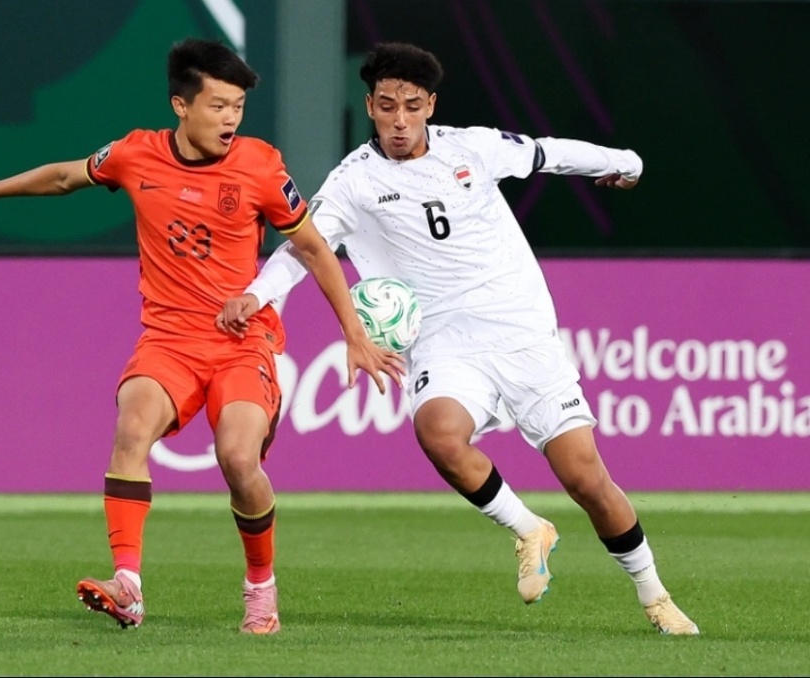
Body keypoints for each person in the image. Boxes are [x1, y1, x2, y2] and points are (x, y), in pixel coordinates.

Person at [217, 42, 699, 636]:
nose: (398, 121)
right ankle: (529, 529)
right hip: (444, 339)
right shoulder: (354, 181)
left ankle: (654, 595)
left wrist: (624, 161)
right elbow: (304, 248)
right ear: (368, 106)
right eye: (386, 106)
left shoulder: (472, 147)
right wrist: (257, 294)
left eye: (411, 106)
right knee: (439, 433)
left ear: (430, 106)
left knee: (585, 478)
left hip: (521, 330)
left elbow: (547, 153)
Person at [0, 37, 404, 635]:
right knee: (131, 430)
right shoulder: (136, 154)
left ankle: (261, 588)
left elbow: (313, 248)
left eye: (238, 107)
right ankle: (128, 587)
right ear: (181, 106)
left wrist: (353, 333)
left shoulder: (260, 166)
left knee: (238, 459)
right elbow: (65, 177)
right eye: (218, 106)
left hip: (242, 343)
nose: (231, 120)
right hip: (168, 340)